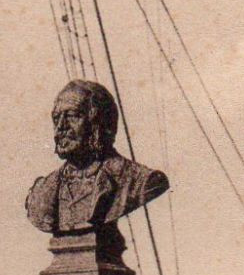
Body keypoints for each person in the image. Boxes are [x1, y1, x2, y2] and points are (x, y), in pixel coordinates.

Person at [25, 79, 169, 244]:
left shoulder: (139, 180)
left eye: (72, 116)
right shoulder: (42, 191)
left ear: (98, 124)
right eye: (56, 118)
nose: (61, 128)